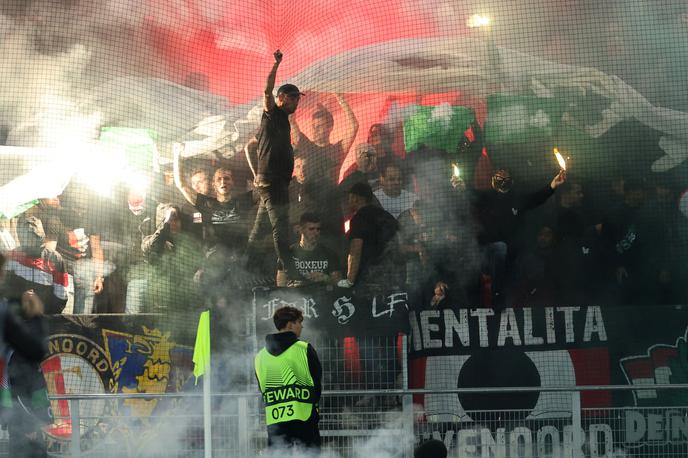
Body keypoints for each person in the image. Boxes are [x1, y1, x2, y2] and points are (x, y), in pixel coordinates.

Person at [470, 168, 566, 306]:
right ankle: (497, 295)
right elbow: (468, 197)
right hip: (488, 253)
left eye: (505, 177)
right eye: (498, 177)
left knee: (534, 263)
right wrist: (459, 187)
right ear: (492, 181)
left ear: (512, 181)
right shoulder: (485, 198)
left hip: (513, 255)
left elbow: (537, 198)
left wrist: (553, 185)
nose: (502, 180)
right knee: (500, 248)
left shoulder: (517, 199)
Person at [248, 50, 303, 283]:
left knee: (260, 227)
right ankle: (289, 272)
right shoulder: (271, 114)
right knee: (280, 227)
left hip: (277, 183)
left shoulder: (284, 122)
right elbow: (266, 90)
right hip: (271, 183)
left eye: (298, 99)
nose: (296, 102)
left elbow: (248, 147)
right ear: (282, 98)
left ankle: (243, 264)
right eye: (292, 98)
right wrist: (276, 63)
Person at [0, 253, 48, 457]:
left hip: (18, 417)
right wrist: (31, 423)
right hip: (22, 418)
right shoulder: (17, 344)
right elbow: (24, 380)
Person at [254, 306, 322, 450]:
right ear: (290, 324)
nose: (302, 326)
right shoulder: (304, 349)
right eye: (299, 322)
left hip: (276, 420)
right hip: (305, 418)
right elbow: (317, 383)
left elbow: (262, 388)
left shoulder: (260, 356)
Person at [339, 182, 401, 289]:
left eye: (350, 197)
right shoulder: (386, 215)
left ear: (356, 198)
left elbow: (356, 250)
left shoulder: (359, 218)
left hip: (369, 278)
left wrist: (350, 280)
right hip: (393, 275)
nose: (348, 201)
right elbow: (400, 240)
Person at [292, 94, 359, 181]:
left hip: (330, 194)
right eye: (314, 126)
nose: (315, 130)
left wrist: (340, 99)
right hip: (309, 194)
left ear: (330, 127)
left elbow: (354, 126)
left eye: (319, 126)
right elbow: (291, 121)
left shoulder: (337, 150)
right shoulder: (306, 146)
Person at [286, 212, 342, 286]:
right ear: (301, 230)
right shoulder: (289, 253)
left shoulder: (329, 254)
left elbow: (338, 283)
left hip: (322, 295)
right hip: (297, 296)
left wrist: (325, 278)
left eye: (318, 229)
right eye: (311, 229)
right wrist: (295, 284)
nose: (316, 232)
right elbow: (281, 282)